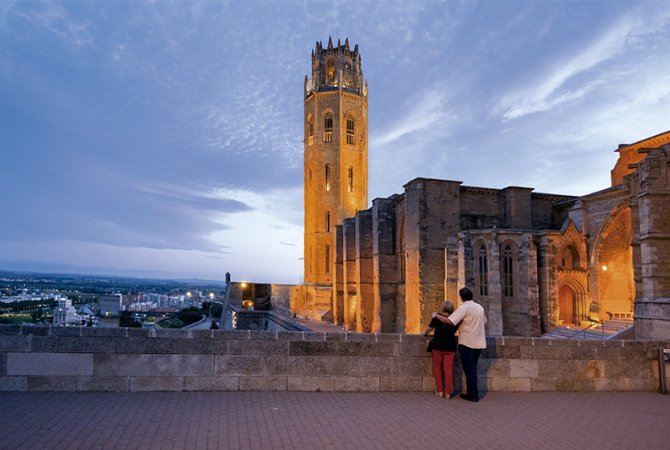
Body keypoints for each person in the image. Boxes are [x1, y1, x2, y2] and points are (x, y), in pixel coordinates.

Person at [434, 287, 486, 402]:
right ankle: (472, 393)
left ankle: (473, 395)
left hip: (467, 343)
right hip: (479, 343)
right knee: (472, 369)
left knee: (469, 370)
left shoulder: (464, 307)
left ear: (462, 297)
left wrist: (436, 316)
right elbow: (484, 321)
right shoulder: (479, 307)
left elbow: (451, 321)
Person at [423, 300, 458, 399]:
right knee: (448, 370)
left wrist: (425, 333)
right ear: (451, 309)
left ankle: (439, 391)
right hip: (450, 347)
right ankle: (448, 393)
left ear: (442, 308)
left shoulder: (436, 317)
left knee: (437, 369)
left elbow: (429, 329)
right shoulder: (454, 319)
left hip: (438, 346)